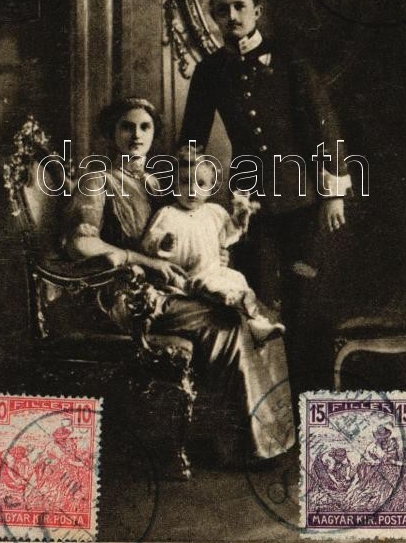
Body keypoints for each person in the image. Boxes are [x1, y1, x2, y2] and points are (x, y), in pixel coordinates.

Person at [63, 96, 294, 465]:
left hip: (168, 290)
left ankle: (269, 438)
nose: (136, 135)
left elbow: (182, 234)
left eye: (145, 127)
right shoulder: (98, 180)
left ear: (154, 134)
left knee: (257, 315)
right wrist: (145, 261)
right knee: (226, 323)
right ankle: (234, 445)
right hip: (125, 295)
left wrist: (213, 252)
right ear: (111, 132)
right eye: (126, 126)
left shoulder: (157, 183)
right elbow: (80, 244)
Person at [179, 0, 352, 394]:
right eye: (222, 9)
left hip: (303, 200)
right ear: (214, 16)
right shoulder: (209, 71)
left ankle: (309, 400)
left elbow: (324, 125)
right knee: (254, 300)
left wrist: (333, 194)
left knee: (304, 301)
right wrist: (184, 194)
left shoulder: (289, 59)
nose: (232, 16)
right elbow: (191, 141)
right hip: (249, 205)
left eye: (239, 6)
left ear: (256, 11)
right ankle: (267, 408)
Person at [141, 146, 285, 347]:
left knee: (237, 278)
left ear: (211, 187)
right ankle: (235, 303)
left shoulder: (214, 212)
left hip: (213, 270)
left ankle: (256, 322)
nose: (192, 190)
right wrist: (163, 242)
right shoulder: (168, 214)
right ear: (174, 184)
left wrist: (240, 218)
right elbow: (149, 242)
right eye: (185, 182)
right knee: (213, 287)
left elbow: (228, 235)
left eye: (200, 184)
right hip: (187, 276)